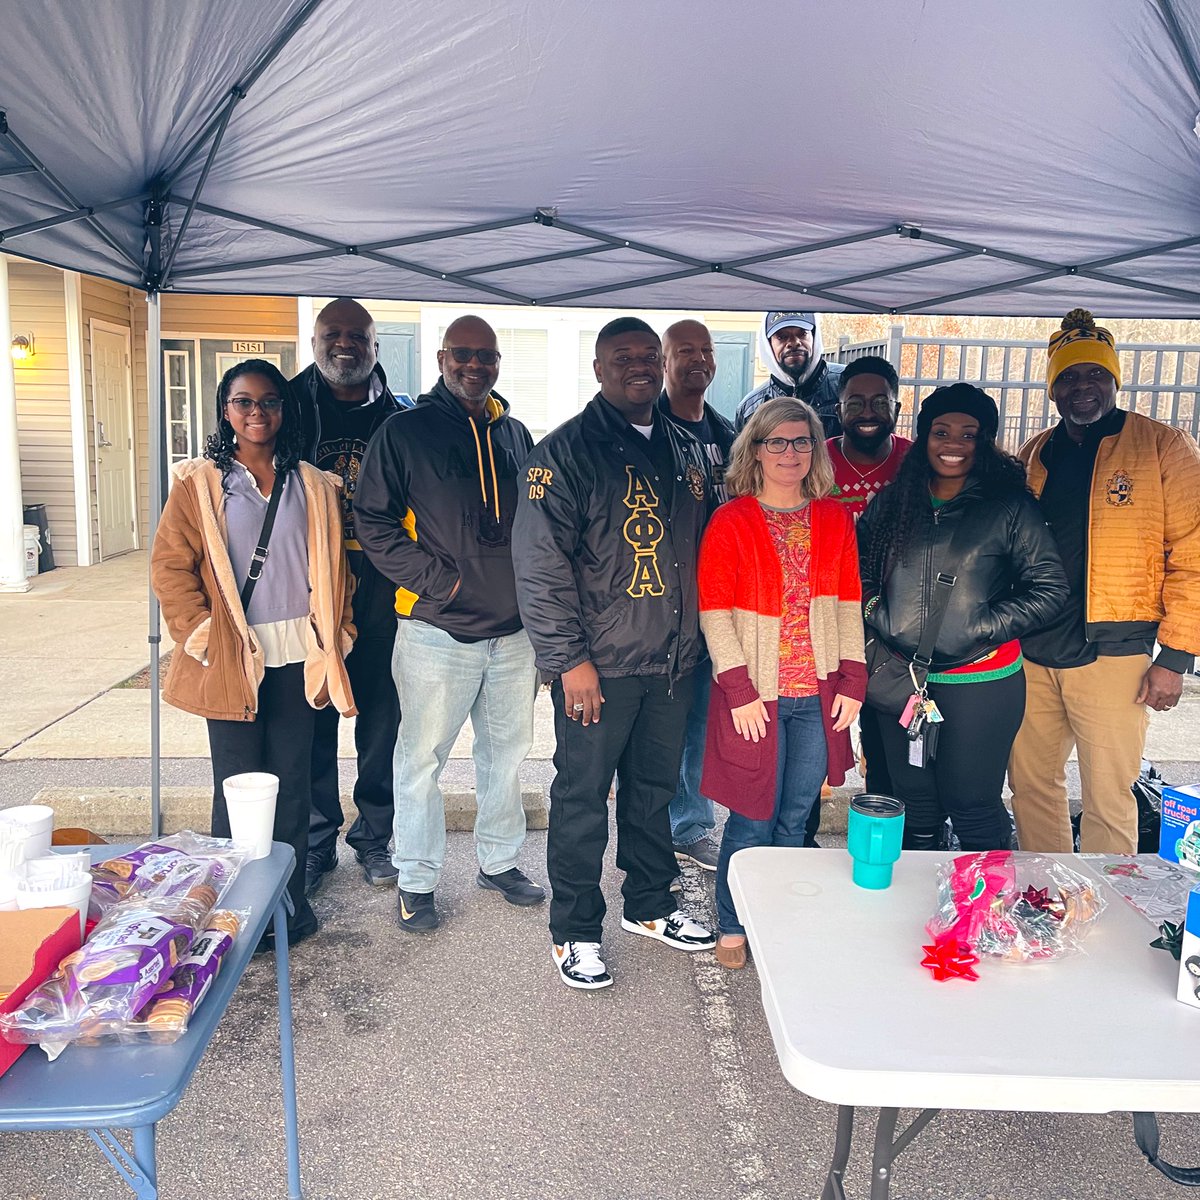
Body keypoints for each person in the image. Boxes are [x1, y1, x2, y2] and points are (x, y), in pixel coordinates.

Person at [513, 316, 717, 991]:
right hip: (597, 667)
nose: (638, 367)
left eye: (646, 357)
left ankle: (650, 904)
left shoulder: (687, 445)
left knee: (654, 792)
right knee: (580, 798)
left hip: (672, 663)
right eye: (621, 357)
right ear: (598, 369)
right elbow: (540, 570)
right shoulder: (563, 454)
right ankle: (574, 930)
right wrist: (568, 662)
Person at [151, 359, 356, 947]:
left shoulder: (315, 485)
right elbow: (170, 567)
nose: (257, 412)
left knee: (292, 784)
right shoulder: (200, 483)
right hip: (232, 656)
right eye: (244, 401)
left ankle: (285, 907)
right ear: (226, 409)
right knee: (238, 785)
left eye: (269, 401)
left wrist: (338, 633)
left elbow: (339, 570)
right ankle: (235, 910)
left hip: (298, 653)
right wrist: (197, 633)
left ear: (285, 409)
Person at [354, 315, 544, 933]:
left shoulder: (515, 434)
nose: (475, 366)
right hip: (437, 631)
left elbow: (541, 525)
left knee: (507, 755)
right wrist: (442, 582)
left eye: (486, 356)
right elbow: (373, 522)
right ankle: (416, 878)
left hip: (513, 635)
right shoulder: (404, 433)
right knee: (421, 760)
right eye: (463, 355)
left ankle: (498, 860)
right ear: (441, 358)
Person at [1009, 309, 1200, 854]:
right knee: (1029, 786)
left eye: (1095, 374)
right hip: (1035, 650)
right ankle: (1046, 900)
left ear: (1114, 380)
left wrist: (1176, 656)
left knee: (1109, 794)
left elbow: (1195, 554)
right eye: (1068, 376)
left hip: (1115, 652)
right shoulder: (1035, 453)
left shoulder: (1163, 448)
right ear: (1053, 389)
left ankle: (1105, 912)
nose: (1082, 387)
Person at [857, 383, 1067, 853]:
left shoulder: (1010, 507)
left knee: (971, 802)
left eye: (968, 434)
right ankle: (923, 906)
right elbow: (858, 569)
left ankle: (984, 915)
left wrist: (980, 627)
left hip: (982, 681)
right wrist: (877, 611)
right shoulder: (893, 503)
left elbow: (1051, 590)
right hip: (901, 679)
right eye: (941, 431)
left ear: (985, 440)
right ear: (924, 436)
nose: (953, 444)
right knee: (913, 801)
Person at [697, 398, 865, 969]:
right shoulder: (732, 520)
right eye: (777, 442)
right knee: (752, 816)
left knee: (796, 816)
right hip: (757, 699)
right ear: (756, 449)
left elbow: (846, 606)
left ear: (816, 450)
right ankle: (732, 921)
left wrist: (852, 679)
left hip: (816, 696)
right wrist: (740, 690)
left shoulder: (834, 518)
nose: (789, 453)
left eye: (801, 442)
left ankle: (779, 919)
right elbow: (715, 614)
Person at [292, 297, 412, 895]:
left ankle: (374, 835)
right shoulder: (286, 408)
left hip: (383, 586)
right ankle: (316, 841)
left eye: (357, 335)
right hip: (309, 587)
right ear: (315, 342)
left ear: (374, 346)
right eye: (332, 334)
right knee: (313, 711)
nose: (345, 344)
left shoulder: (403, 416)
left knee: (381, 715)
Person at [658, 319, 737, 872]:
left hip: (722, 604)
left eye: (706, 350)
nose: (698, 359)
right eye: (684, 350)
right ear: (664, 361)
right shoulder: (645, 428)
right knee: (664, 723)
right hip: (661, 604)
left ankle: (690, 824)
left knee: (704, 720)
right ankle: (657, 823)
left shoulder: (729, 436)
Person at [828, 355, 912, 799]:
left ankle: (887, 827)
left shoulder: (916, 462)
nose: (867, 412)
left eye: (880, 402)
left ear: (896, 409)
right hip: (827, 620)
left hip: (895, 623)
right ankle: (800, 841)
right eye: (855, 401)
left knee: (887, 741)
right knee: (821, 740)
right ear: (838, 408)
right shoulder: (814, 462)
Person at [734, 312, 844, 437]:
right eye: (782, 337)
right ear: (768, 345)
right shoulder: (751, 409)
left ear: (814, 337)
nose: (794, 342)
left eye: (802, 333)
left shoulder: (848, 386)